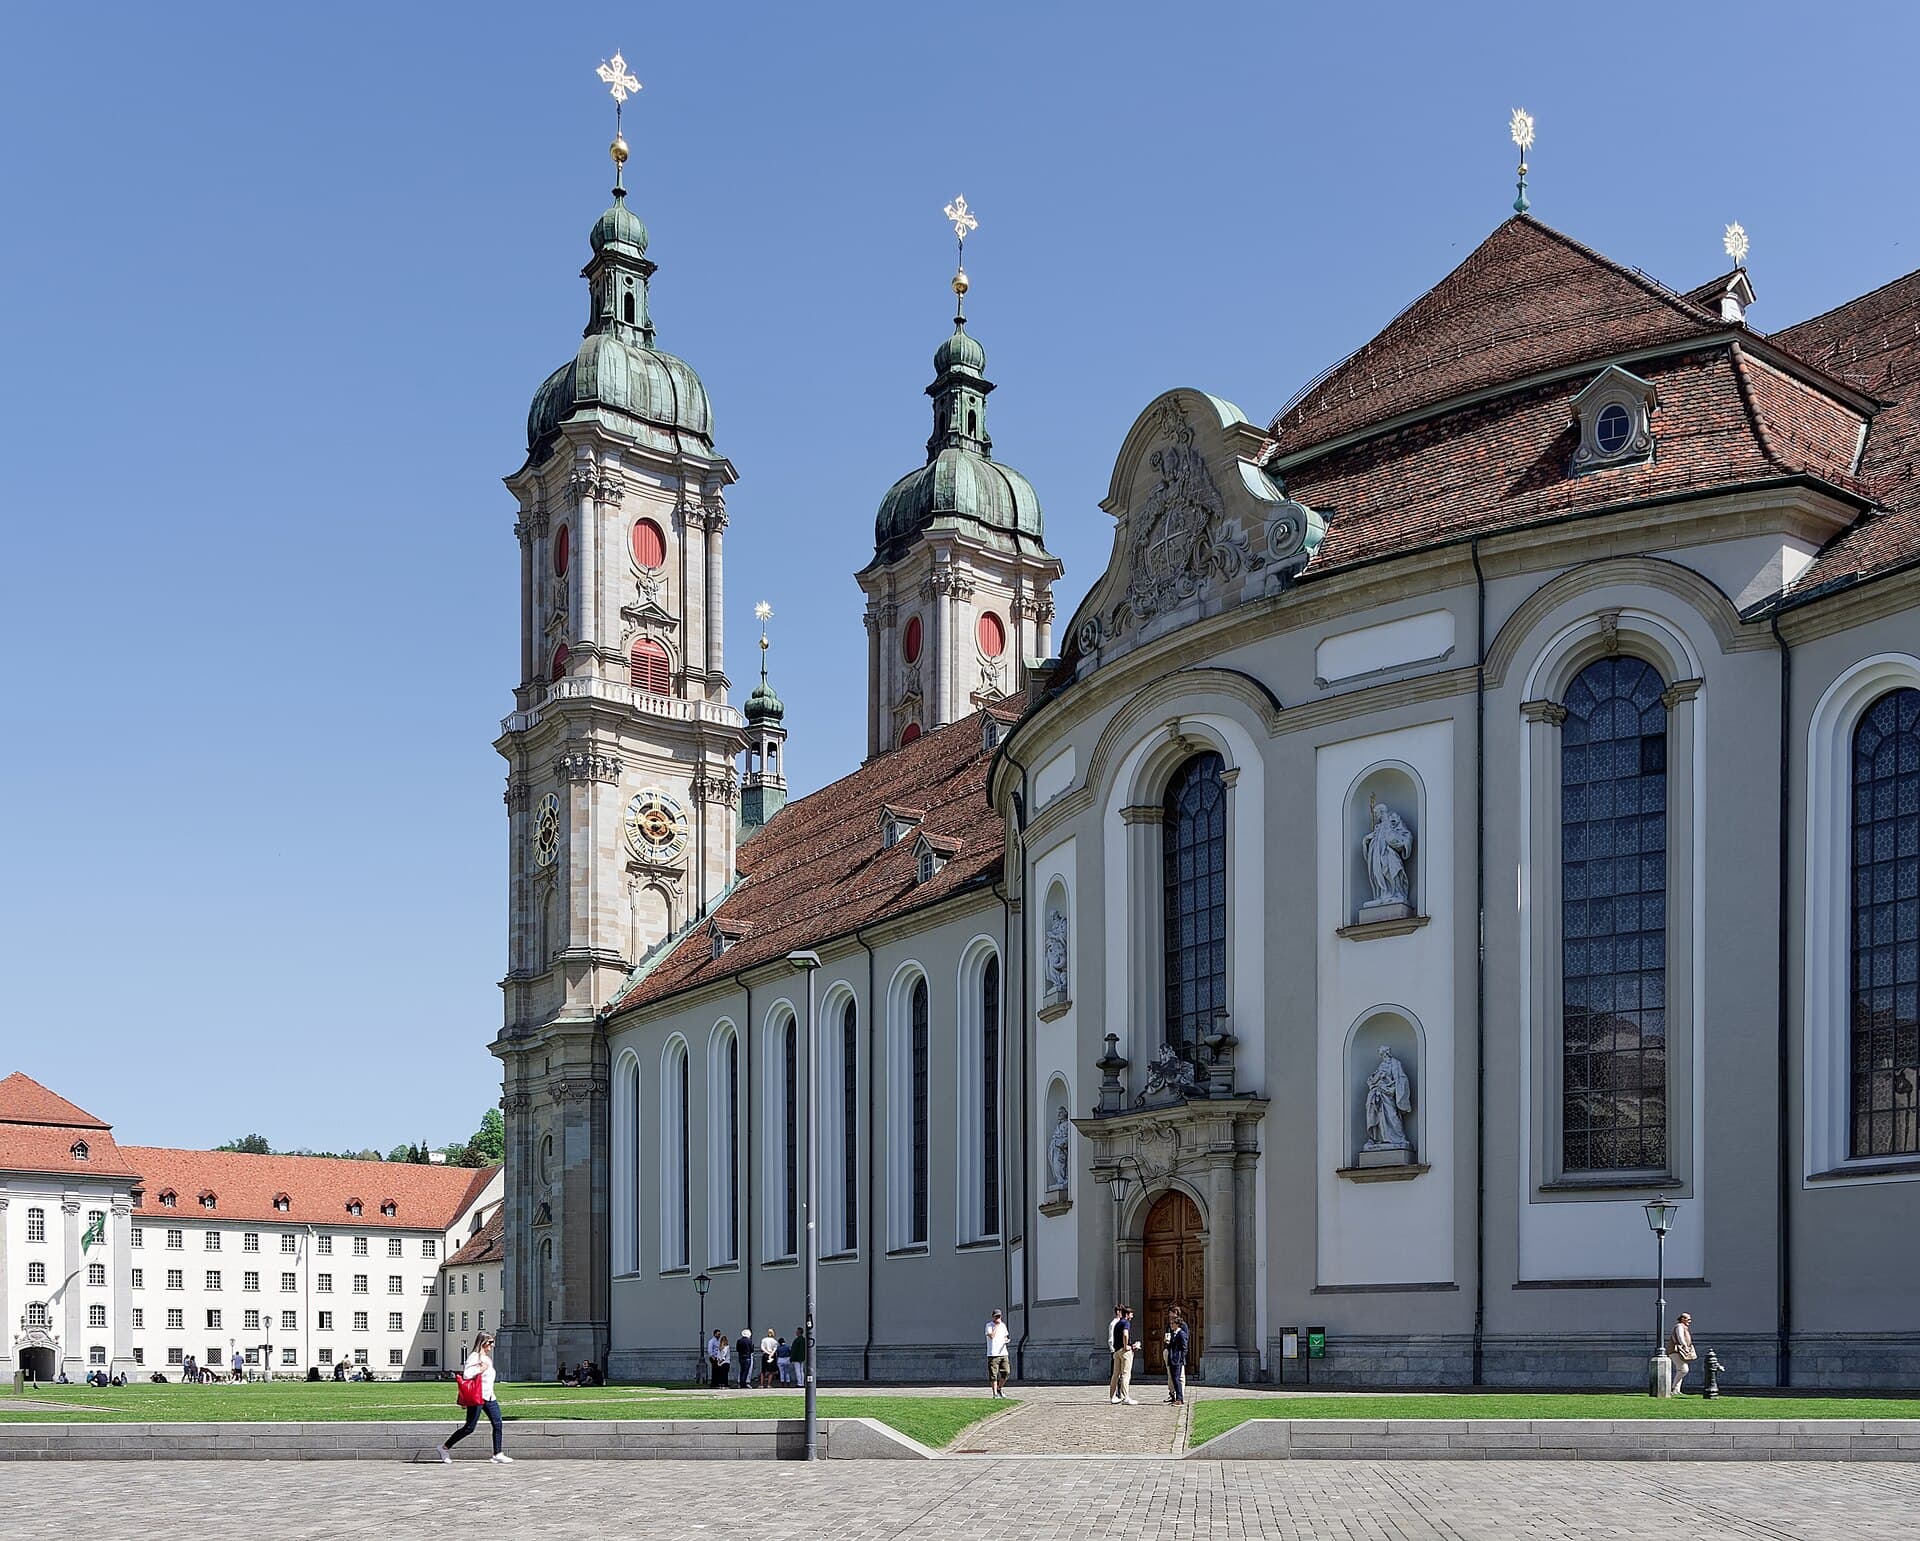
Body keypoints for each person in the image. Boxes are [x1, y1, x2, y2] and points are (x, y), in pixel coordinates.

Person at [437, 1331, 511, 1464]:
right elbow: (466, 1374)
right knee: (469, 1427)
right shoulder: (474, 1357)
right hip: (477, 1396)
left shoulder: (487, 1358)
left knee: (498, 1423)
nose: (492, 1345)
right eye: (490, 1342)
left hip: (489, 1396)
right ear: (483, 1343)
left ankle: (498, 1453)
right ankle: (444, 1448)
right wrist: (480, 1369)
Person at [1107, 1305, 1139, 1404]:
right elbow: (1125, 1334)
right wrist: (1126, 1346)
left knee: (1115, 1374)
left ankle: (1112, 1396)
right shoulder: (1126, 1323)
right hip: (1124, 1352)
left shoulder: (1117, 1323)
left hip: (1117, 1351)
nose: (1132, 1316)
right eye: (1131, 1314)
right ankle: (1125, 1397)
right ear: (1127, 1315)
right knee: (1125, 1374)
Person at [1164, 1310, 1189, 1406]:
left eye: (1172, 1324)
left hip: (1177, 1359)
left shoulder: (1181, 1333)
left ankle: (1180, 1398)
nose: (1171, 1325)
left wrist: (1181, 1358)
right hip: (1172, 1358)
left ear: (1177, 1324)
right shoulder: (1174, 1333)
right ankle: (1176, 1397)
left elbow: (1184, 1348)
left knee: (1177, 1378)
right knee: (1174, 1378)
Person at [1668, 1311, 1697, 1395]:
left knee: (1680, 1370)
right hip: (1675, 1350)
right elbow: (1680, 1337)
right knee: (1683, 1369)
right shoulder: (1679, 1326)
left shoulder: (1683, 1327)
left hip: (1679, 1351)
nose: (1690, 1321)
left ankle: (1676, 1390)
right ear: (1682, 1319)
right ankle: (1673, 1388)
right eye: (1688, 1319)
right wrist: (1685, 1346)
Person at [985, 1309, 1011, 1398]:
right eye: (996, 1316)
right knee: (993, 1374)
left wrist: (1006, 1340)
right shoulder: (989, 1325)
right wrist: (996, 1326)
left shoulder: (1003, 1325)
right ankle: (995, 1394)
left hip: (1003, 1352)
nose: (998, 1318)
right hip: (993, 1354)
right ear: (993, 1317)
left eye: (999, 1316)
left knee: (1006, 1372)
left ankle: (999, 1388)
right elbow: (991, 1336)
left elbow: (1005, 1336)